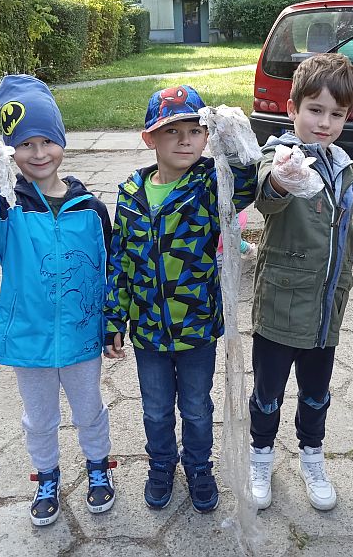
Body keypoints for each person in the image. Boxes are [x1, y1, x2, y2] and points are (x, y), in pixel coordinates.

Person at [0, 74, 115, 527]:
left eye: (47, 140)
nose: (39, 153)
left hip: (82, 338)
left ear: (62, 141)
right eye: (25, 144)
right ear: (12, 151)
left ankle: (98, 467)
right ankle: (46, 476)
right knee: (39, 417)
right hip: (30, 339)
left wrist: (112, 323)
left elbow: (110, 270)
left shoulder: (91, 208)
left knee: (90, 410)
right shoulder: (7, 210)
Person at [104, 85, 257, 513]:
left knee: (196, 408)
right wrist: (113, 320)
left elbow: (246, 184)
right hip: (148, 332)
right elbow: (119, 261)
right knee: (155, 410)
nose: (185, 140)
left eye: (196, 131)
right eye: (172, 131)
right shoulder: (130, 195)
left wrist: (234, 139)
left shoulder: (210, 186)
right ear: (149, 138)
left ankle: (198, 467)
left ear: (207, 137)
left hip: (197, 329)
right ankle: (161, 465)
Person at [248, 53, 353, 511]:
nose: (325, 123)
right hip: (281, 304)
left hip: (326, 307)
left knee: (317, 393)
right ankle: (261, 456)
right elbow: (266, 196)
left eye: (337, 114)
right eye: (315, 110)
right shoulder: (278, 155)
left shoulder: (341, 164)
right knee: (268, 392)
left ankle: (312, 456)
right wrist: (281, 180)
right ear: (292, 108)